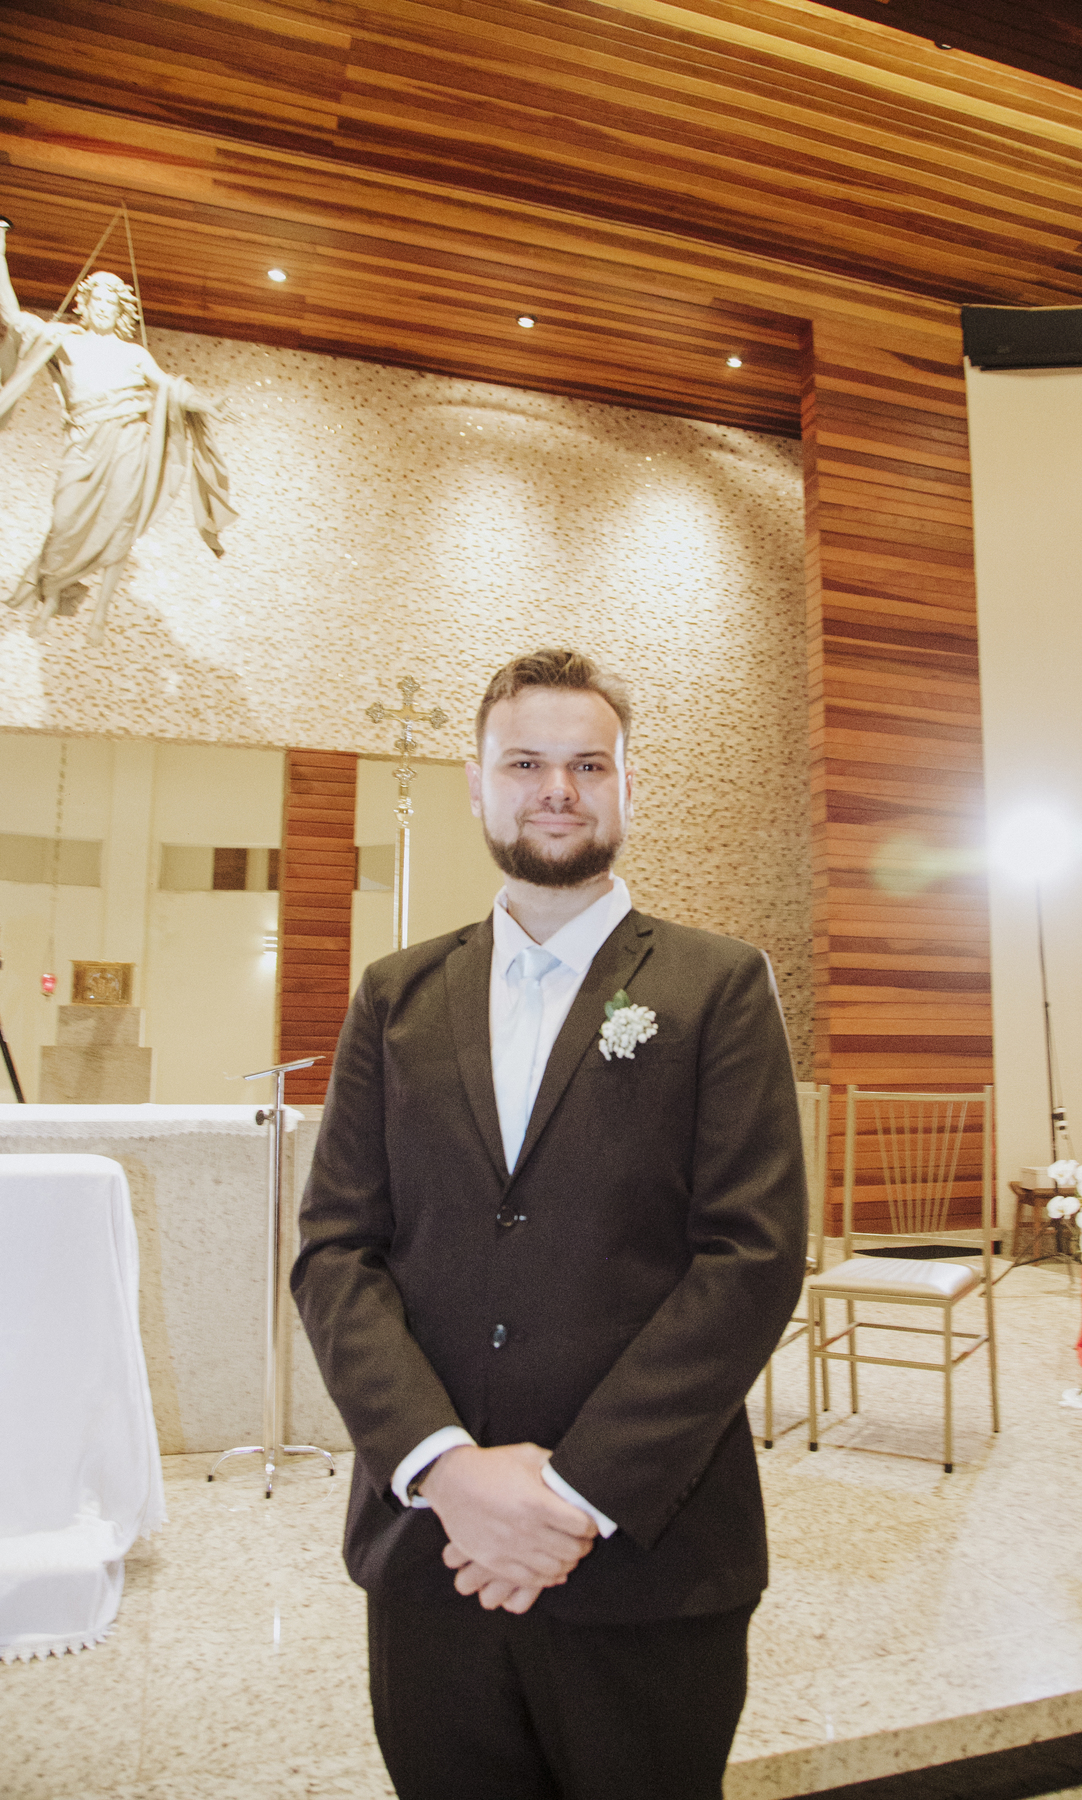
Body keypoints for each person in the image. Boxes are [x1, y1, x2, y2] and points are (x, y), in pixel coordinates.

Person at [292, 647, 807, 1800]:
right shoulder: (394, 996)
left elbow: (753, 1258)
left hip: (647, 1555)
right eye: (524, 763)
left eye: (590, 764)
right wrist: (444, 1471)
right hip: (435, 1556)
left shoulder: (720, 986)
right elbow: (336, 1252)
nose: (558, 790)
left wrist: (575, 1497)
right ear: (477, 785)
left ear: (628, 786)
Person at [0, 222, 236, 644]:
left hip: (127, 444)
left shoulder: (133, 354)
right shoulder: (65, 342)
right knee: (65, 521)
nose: (105, 306)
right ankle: (51, 593)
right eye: (99, 299)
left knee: (119, 526)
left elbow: (169, 387)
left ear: (121, 310)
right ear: (85, 305)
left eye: (113, 301)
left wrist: (207, 404)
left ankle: (100, 615)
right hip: (83, 445)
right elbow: (14, 319)